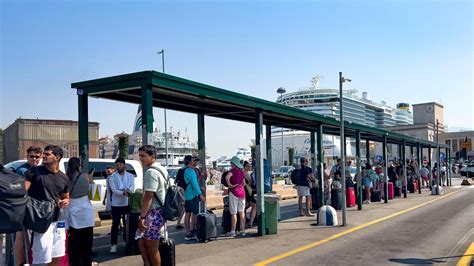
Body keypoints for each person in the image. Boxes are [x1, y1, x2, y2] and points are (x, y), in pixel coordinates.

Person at [24, 145, 70, 265]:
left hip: (58, 222)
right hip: (40, 222)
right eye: (43, 154)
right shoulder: (34, 172)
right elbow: (23, 193)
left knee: (57, 255)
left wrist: (65, 201)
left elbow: (66, 196)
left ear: (57, 157)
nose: (43, 156)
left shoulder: (64, 178)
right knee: (40, 259)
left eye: (47, 154)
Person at [137, 145, 167, 266]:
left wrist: (142, 217)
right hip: (160, 212)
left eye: (143, 156)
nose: (141, 159)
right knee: (142, 241)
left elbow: (148, 195)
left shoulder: (151, 172)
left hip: (154, 213)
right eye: (140, 156)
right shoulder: (161, 169)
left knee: (152, 248)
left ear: (152, 156)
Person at [14, 145, 43, 266]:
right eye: (32, 156)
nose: (34, 159)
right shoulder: (23, 170)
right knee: (22, 237)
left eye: (37, 157)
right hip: (25, 208)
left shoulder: (39, 169)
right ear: (27, 157)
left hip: (36, 208)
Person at [65, 157, 95, 266]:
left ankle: (76, 262)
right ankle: (87, 262)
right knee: (87, 242)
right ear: (79, 166)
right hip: (86, 211)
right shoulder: (86, 176)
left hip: (72, 210)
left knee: (75, 241)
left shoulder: (66, 178)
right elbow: (94, 191)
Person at [109, 157, 135, 253]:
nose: (119, 166)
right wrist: (123, 192)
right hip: (116, 204)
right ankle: (113, 244)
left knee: (126, 224)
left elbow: (132, 187)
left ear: (124, 165)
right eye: (117, 165)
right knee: (115, 225)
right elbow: (114, 190)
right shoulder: (112, 177)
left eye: (120, 164)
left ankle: (126, 241)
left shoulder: (130, 176)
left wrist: (128, 191)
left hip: (126, 204)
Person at [183, 155, 205, 240]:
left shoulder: (183, 170)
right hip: (192, 195)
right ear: (189, 162)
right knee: (195, 213)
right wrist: (200, 194)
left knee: (187, 213)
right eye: (192, 160)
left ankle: (187, 233)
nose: (194, 162)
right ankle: (193, 230)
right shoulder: (191, 171)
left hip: (186, 195)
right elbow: (195, 184)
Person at [224, 156, 246, 237]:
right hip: (242, 193)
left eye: (231, 163)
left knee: (233, 213)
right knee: (242, 212)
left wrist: (229, 184)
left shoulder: (232, 171)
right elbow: (244, 184)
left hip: (234, 192)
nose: (230, 164)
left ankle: (233, 231)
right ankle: (243, 230)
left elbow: (227, 177)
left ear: (233, 164)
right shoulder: (241, 172)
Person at [243, 161, 256, 228]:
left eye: (250, 166)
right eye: (248, 166)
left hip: (246, 191)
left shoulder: (247, 173)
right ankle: (249, 222)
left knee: (246, 206)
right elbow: (250, 182)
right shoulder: (246, 173)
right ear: (244, 167)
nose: (249, 167)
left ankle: (244, 220)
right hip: (248, 191)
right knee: (253, 206)